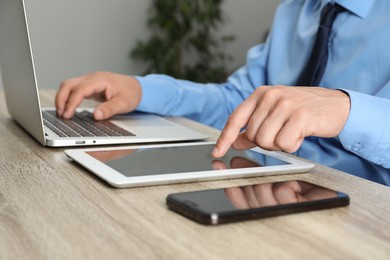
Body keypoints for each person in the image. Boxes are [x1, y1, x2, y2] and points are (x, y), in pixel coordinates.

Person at [55, 0, 390, 185]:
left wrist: (346, 111)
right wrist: (143, 90)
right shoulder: (295, 9)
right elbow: (239, 102)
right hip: (259, 181)